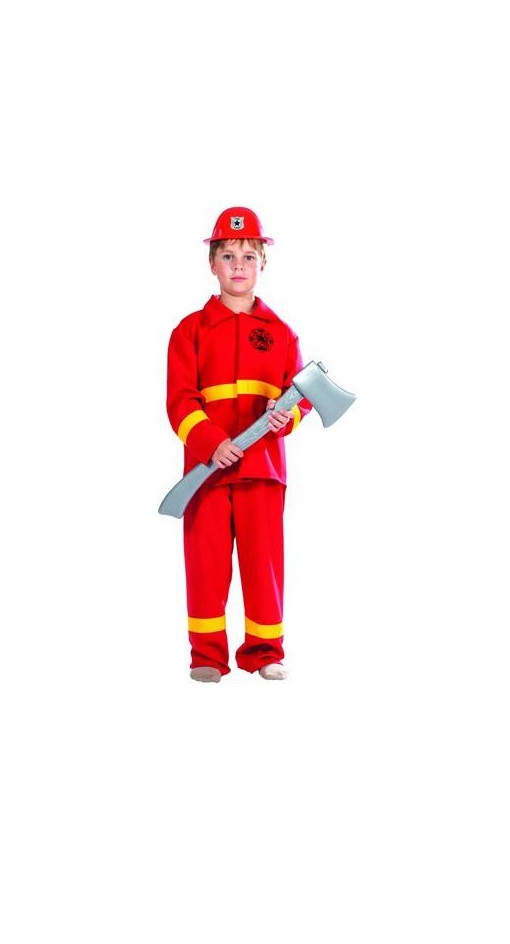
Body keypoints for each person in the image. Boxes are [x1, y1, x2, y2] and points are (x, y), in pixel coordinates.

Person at [166, 206, 311, 683]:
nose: (239, 265)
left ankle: (265, 651)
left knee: (263, 564)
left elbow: (301, 398)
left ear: (263, 263)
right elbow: (180, 400)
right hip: (206, 472)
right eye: (228, 255)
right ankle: (207, 657)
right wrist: (211, 443)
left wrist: (285, 416)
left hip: (262, 470)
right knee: (205, 564)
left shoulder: (282, 334)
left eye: (249, 255)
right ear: (212, 263)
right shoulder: (189, 331)